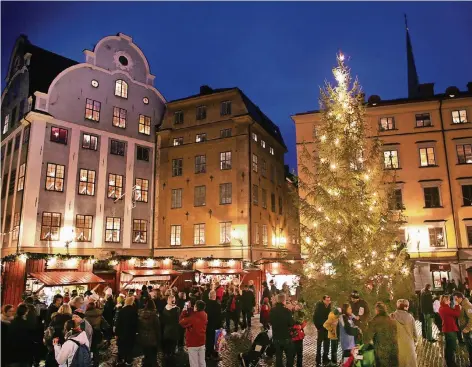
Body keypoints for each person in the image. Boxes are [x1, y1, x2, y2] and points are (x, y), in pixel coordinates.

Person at [364, 302, 398, 367]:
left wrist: (364, 347)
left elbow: (367, 337)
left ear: (377, 311)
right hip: (393, 350)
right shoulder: (392, 320)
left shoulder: (374, 322)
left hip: (381, 352)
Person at [180, 300, 208, 367]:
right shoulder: (204, 314)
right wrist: (190, 308)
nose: (194, 306)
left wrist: (184, 311)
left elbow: (181, 322)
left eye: (194, 305)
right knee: (202, 361)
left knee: (194, 363)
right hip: (201, 341)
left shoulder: (192, 318)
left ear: (197, 307)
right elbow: (195, 313)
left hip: (193, 343)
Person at [390, 299, 417, 367]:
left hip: (397, 345)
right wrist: (415, 341)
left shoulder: (392, 316)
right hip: (409, 345)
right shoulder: (411, 317)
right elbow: (415, 333)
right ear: (406, 307)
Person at [270, 293, 295, 367]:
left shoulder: (272, 311)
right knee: (290, 357)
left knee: (278, 358)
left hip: (276, 337)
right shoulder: (287, 311)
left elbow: (270, 321)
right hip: (286, 337)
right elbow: (291, 323)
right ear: (284, 300)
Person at [115, 296, 138, 366]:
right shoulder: (134, 311)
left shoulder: (122, 311)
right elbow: (136, 323)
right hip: (131, 333)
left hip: (122, 332)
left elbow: (118, 323)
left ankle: (121, 359)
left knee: (122, 346)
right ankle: (128, 360)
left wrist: (116, 333)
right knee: (129, 346)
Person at [439, 295, 461, 367]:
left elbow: (451, 313)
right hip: (450, 329)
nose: (450, 301)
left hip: (447, 328)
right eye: (448, 300)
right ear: (445, 301)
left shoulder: (442, 307)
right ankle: (451, 363)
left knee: (448, 346)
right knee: (452, 346)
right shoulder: (445, 308)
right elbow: (457, 314)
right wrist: (457, 305)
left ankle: (448, 361)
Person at [138, 298, 160, 367]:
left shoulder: (140, 314)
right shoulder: (154, 315)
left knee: (146, 354)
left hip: (143, 337)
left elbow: (139, 326)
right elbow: (157, 328)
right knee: (153, 356)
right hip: (152, 338)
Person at [313, 295, 334, 366]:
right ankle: (318, 360)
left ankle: (325, 359)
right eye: (327, 300)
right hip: (321, 329)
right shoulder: (319, 307)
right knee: (319, 345)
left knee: (327, 345)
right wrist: (319, 327)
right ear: (323, 300)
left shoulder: (329, 307)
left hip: (327, 329)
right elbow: (315, 318)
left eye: (329, 300)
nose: (328, 302)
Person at [454, 291, 472, 365]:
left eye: (456, 299)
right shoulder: (462, 304)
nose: (455, 300)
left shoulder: (467, 305)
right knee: (469, 347)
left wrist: (467, 328)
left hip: (468, 330)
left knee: (470, 347)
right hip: (465, 329)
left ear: (460, 298)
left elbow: (471, 318)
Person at [162, 295, 180, 363]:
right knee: (173, 343)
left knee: (167, 343)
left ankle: (167, 355)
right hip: (174, 329)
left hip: (167, 329)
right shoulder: (177, 309)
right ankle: (172, 356)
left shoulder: (165, 308)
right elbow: (178, 319)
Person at [205, 290, 222, 360]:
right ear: (214, 296)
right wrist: (220, 326)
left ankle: (208, 354)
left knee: (208, 340)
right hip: (216, 325)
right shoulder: (217, 305)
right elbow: (219, 317)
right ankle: (215, 355)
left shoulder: (205, 304)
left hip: (208, 325)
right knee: (216, 341)